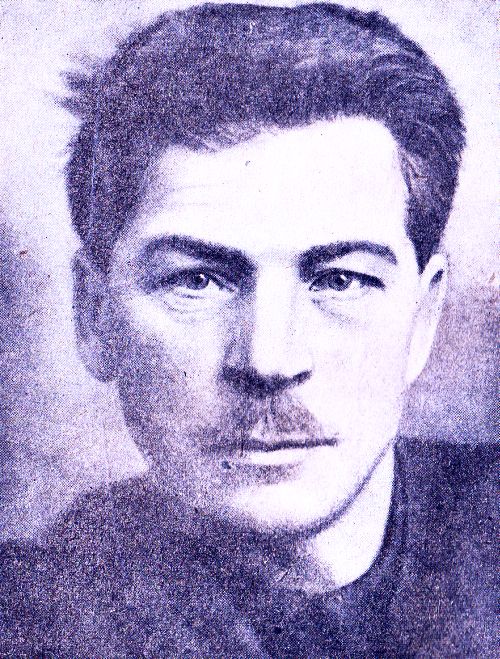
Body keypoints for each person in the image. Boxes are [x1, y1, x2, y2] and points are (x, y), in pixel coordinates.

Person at [0, 3, 497, 656]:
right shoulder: (33, 618)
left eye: (340, 280)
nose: (269, 359)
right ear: (94, 315)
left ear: (424, 316)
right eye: (198, 280)